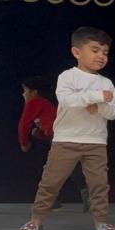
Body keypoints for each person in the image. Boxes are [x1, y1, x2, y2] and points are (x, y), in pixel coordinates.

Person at [18, 26, 115, 230]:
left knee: (99, 184)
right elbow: (67, 100)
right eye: (95, 50)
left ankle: (101, 222)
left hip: (96, 141)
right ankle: (36, 220)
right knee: (51, 181)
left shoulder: (106, 83)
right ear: (77, 52)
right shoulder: (67, 76)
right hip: (66, 140)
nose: (101, 56)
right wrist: (96, 97)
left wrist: (100, 107)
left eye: (105, 52)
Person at [18, 75, 86, 213]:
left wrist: (24, 143)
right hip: (68, 137)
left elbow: (24, 124)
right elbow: (51, 124)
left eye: (25, 90)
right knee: (70, 168)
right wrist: (40, 133)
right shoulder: (45, 104)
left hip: (62, 138)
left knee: (52, 170)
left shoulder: (35, 102)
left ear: (34, 92)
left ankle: (50, 201)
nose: (23, 94)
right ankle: (88, 197)